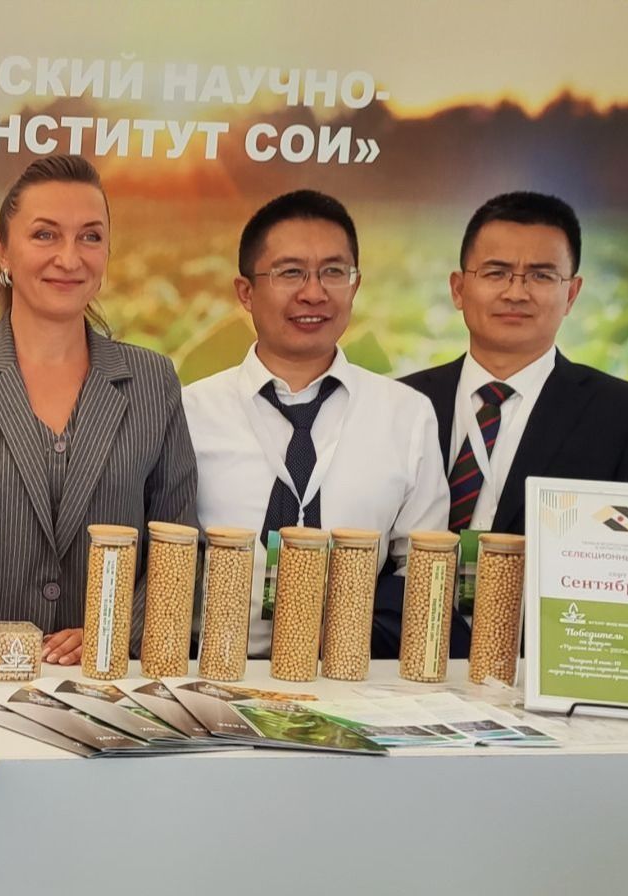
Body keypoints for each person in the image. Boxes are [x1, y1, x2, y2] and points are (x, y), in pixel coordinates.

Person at [0, 153, 196, 665]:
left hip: (107, 681)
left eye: (90, 237)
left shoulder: (152, 381)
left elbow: (179, 547)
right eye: (45, 235)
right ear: (3, 252)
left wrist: (110, 631)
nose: (69, 258)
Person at [183, 190, 446, 656]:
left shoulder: (406, 415)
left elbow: (422, 568)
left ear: (355, 286)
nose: (314, 293)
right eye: (290, 273)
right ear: (245, 292)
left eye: (333, 272)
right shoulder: (189, 411)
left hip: (350, 671)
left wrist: (354, 638)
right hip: (210, 669)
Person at [401, 191, 628, 541]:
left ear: (571, 294)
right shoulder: (398, 401)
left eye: (542, 276)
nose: (516, 293)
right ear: (458, 289)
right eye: (496, 273)